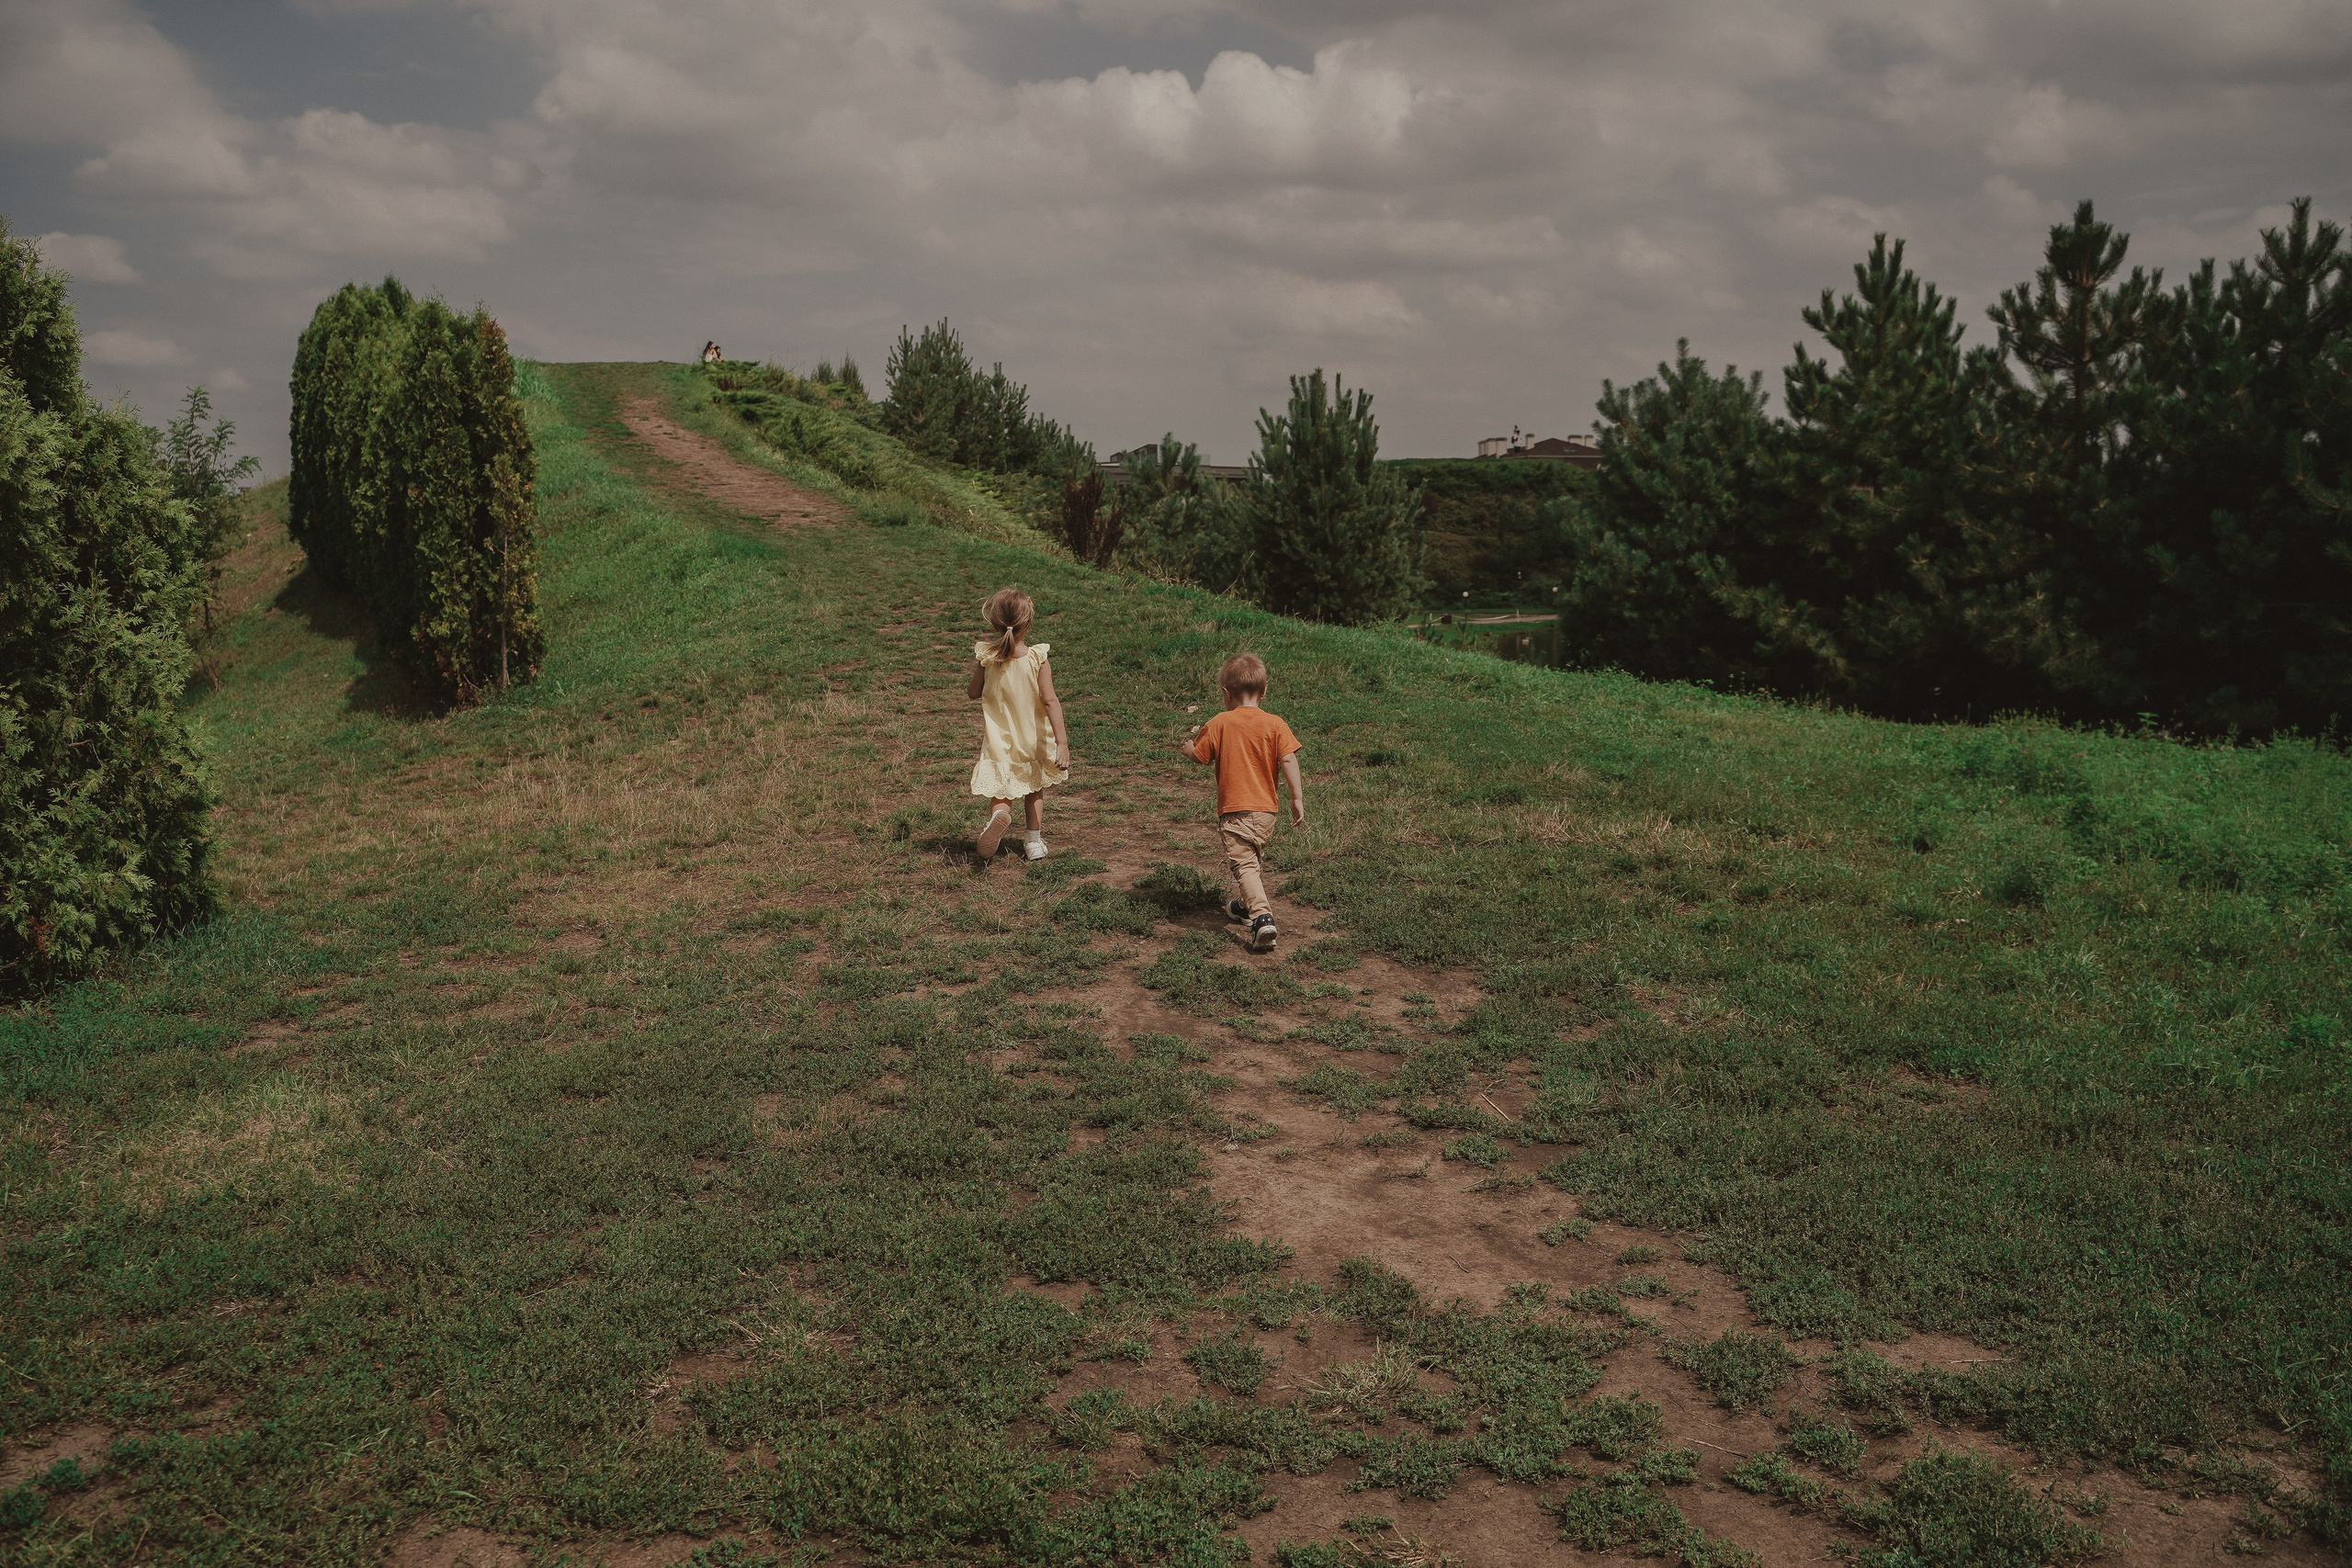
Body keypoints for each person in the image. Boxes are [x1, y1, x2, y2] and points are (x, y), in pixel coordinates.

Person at [1177, 652, 1305, 952]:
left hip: (1236, 809)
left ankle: (1262, 918)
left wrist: (1186, 749)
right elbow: (1288, 758)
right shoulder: (1275, 724)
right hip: (1267, 811)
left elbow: (1201, 756)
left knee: (1244, 865)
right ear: (1264, 690)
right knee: (1253, 860)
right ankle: (1247, 906)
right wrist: (1296, 798)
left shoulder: (1220, 723)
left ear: (1225, 693)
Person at [967, 588, 1069, 860]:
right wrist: (1062, 742)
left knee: (1002, 789)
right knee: (1034, 790)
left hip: (999, 740)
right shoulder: (1037, 658)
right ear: (1029, 622)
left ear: (995, 623)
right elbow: (1050, 702)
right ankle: (1033, 843)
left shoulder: (987, 657)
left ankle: (999, 816)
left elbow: (973, 692)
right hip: (1032, 739)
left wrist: (982, 667)